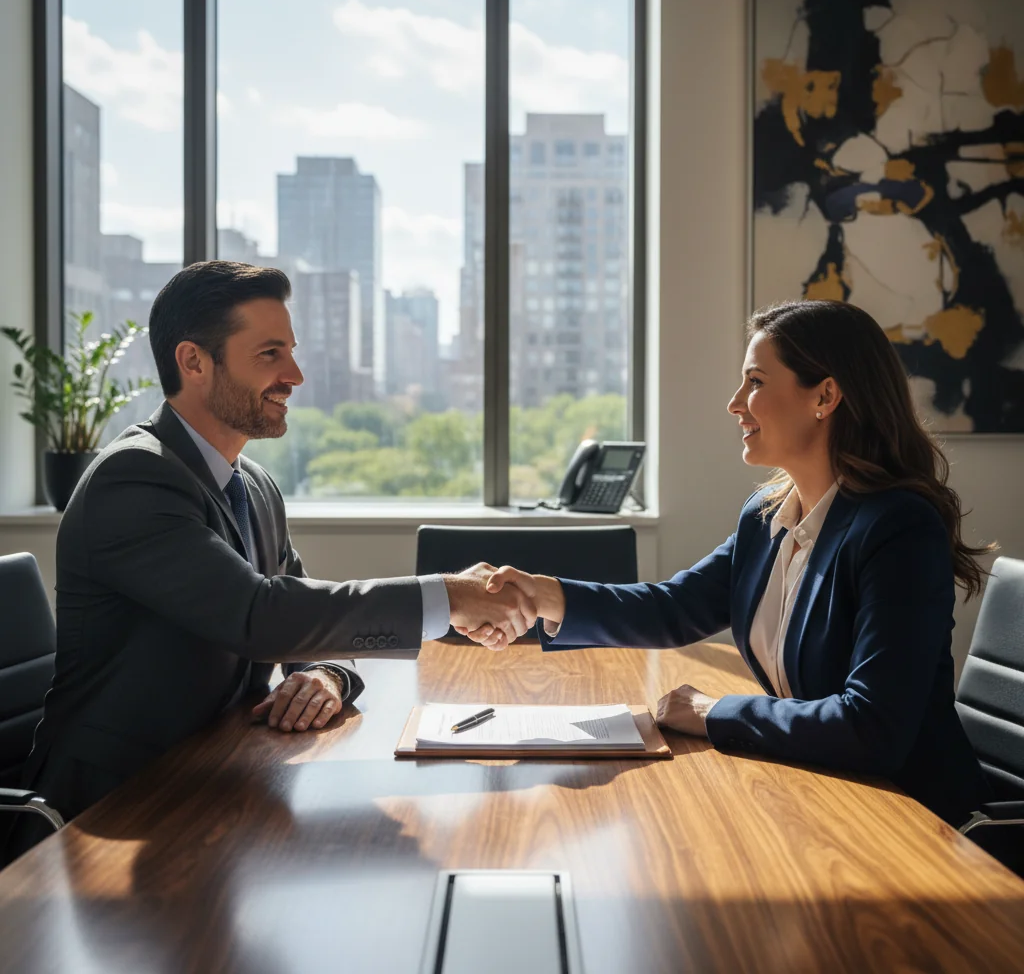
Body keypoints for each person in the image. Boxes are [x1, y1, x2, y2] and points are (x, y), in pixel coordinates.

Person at [6, 260, 531, 862]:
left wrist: (326, 675)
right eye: (269, 355)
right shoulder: (134, 479)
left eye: (292, 352)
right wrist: (449, 595)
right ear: (194, 362)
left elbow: (303, 617)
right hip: (111, 813)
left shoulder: (252, 484)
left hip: (214, 783)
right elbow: (260, 616)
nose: (295, 375)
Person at [473, 299, 993, 827]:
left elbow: (871, 727)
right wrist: (545, 595)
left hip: (913, 819)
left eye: (756, 382)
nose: (735, 403)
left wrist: (709, 711)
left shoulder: (897, 529)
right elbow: (676, 608)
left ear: (826, 396)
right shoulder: (768, 515)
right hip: (822, 794)